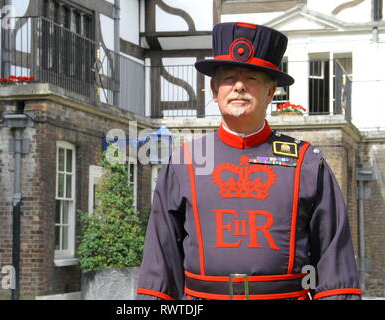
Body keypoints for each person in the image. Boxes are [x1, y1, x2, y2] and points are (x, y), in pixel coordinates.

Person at [136, 22, 361, 300]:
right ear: (215, 90)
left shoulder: (306, 162)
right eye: (229, 78)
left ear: (270, 93)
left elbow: (335, 265)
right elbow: (160, 263)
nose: (239, 86)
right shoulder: (185, 161)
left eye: (252, 79)